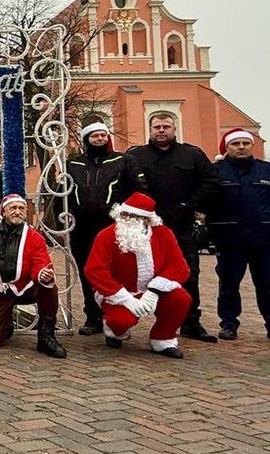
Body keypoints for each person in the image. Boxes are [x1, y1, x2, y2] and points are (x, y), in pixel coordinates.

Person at [127, 113, 222, 343]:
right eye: (157, 126)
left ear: (174, 128)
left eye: (166, 126)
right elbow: (127, 185)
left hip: (182, 225)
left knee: (188, 273)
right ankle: (148, 319)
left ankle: (191, 321)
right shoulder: (136, 156)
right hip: (147, 228)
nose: (161, 130)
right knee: (146, 273)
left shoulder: (192, 154)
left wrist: (189, 204)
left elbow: (211, 183)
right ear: (150, 129)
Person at [207, 128, 270, 344]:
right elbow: (205, 201)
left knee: (267, 284)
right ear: (226, 147)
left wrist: (267, 217)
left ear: (252, 146)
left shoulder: (268, 170)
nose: (241, 148)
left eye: (245, 144)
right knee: (228, 284)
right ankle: (229, 324)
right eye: (235, 144)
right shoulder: (215, 171)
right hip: (229, 237)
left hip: (262, 237)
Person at [84, 192, 193, 359]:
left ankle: (162, 338)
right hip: (119, 293)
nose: (127, 219)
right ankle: (115, 332)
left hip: (154, 290)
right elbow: (94, 270)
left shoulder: (163, 234)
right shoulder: (106, 235)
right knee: (121, 322)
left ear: (147, 219)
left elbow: (179, 267)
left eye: (133, 216)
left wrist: (155, 290)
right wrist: (125, 298)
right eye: (124, 214)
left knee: (181, 299)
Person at [63, 121, 146, 336]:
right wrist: (63, 219)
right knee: (86, 270)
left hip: (112, 225)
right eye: (95, 136)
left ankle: (114, 312)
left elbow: (138, 190)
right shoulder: (73, 164)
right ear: (86, 140)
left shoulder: (124, 160)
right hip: (81, 226)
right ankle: (93, 316)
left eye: (103, 135)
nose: (100, 139)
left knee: (112, 271)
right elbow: (62, 195)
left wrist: (127, 216)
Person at [0, 194, 66, 358]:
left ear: (26, 213)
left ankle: (46, 336)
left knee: (49, 288)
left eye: (21, 208)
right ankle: (5, 321)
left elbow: (41, 262)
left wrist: (42, 274)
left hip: (24, 287)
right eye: (13, 208)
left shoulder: (35, 238)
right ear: (3, 211)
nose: (17, 212)